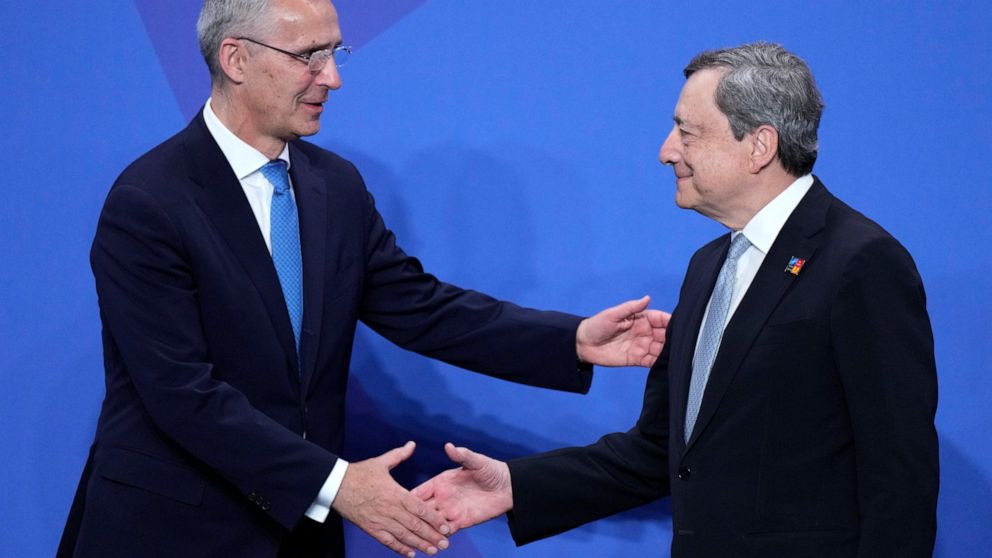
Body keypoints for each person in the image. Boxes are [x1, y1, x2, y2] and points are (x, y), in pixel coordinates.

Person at [55, 1, 670, 557]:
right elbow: (180, 392)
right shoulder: (150, 200)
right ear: (235, 58)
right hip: (172, 530)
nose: (333, 77)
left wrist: (572, 341)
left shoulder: (334, 186)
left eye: (335, 52)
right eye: (309, 56)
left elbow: (422, 308)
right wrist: (340, 484)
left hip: (298, 530)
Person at [415, 42, 939, 557]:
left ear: (759, 145)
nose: (666, 150)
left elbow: (899, 473)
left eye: (687, 133)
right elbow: (661, 451)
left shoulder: (861, 262)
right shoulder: (708, 266)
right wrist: (515, 485)